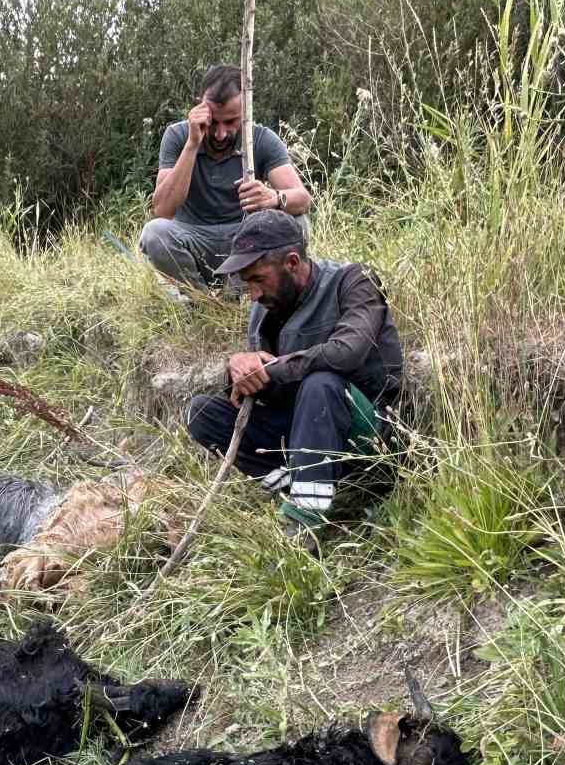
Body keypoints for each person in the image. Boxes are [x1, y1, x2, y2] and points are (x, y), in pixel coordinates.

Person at [184, 209, 404, 530]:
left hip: (368, 440)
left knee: (321, 384)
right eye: (247, 283)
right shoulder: (265, 308)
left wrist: (271, 369)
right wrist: (238, 370)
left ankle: (304, 522)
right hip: (304, 434)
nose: (253, 294)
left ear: (291, 262)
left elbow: (346, 353)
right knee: (201, 412)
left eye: (259, 279)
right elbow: (266, 385)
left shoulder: (354, 281)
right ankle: (300, 481)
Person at [139, 63, 311, 286]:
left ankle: (238, 294)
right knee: (154, 233)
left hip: (246, 242)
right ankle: (198, 301)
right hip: (193, 240)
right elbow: (162, 210)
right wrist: (192, 144)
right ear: (199, 107)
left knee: (297, 222)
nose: (220, 134)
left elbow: (303, 200)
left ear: (245, 111)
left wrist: (274, 198)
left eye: (230, 122)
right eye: (213, 122)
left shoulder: (262, 139)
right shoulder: (178, 136)